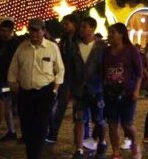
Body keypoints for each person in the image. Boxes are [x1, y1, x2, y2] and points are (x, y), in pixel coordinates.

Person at [9, 18, 64, 159]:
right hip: (25, 93)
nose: (33, 33)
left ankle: (36, 155)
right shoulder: (22, 47)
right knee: (26, 127)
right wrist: (13, 83)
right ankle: (31, 154)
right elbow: (13, 68)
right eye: (31, 30)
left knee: (40, 126)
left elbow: (60, 70)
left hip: (45, 93)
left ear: (43, 31)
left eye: (36, 30)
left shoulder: (52, 47)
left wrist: (55, 90)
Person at [64, 16, 107, 159]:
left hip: (97, 89)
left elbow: (106, 68)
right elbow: (69, 68)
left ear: (92, 28)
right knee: (79, 119)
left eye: (84, 27)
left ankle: (102, 142)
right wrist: (69, 87)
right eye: (81, 26)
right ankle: (79, 149)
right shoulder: (73, 46)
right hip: (79, 89)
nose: (81, 30)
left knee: (99, 119)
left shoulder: (101, 47)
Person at [101, 22, 143, 159]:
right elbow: (103, 71)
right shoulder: (106, 52)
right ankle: (116, 152)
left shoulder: (131, 50)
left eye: (113, 32)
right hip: (110, 94)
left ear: (121, 34)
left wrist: (136, 90)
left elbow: (139, 72)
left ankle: (135, 146)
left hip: (127, 94)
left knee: (127, 124)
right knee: (112, 124)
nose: (110, 35)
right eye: (109, 32)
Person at [47, 15, 78, 144]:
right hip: (64, 77)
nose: (64, 26)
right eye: (63, 24)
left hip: (77, 78)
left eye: (67, 24)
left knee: (80, 110)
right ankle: (53, 133)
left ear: (74, 24)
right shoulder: (64, 39)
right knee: (59, 106)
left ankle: (84, 136)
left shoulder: (79, 39)